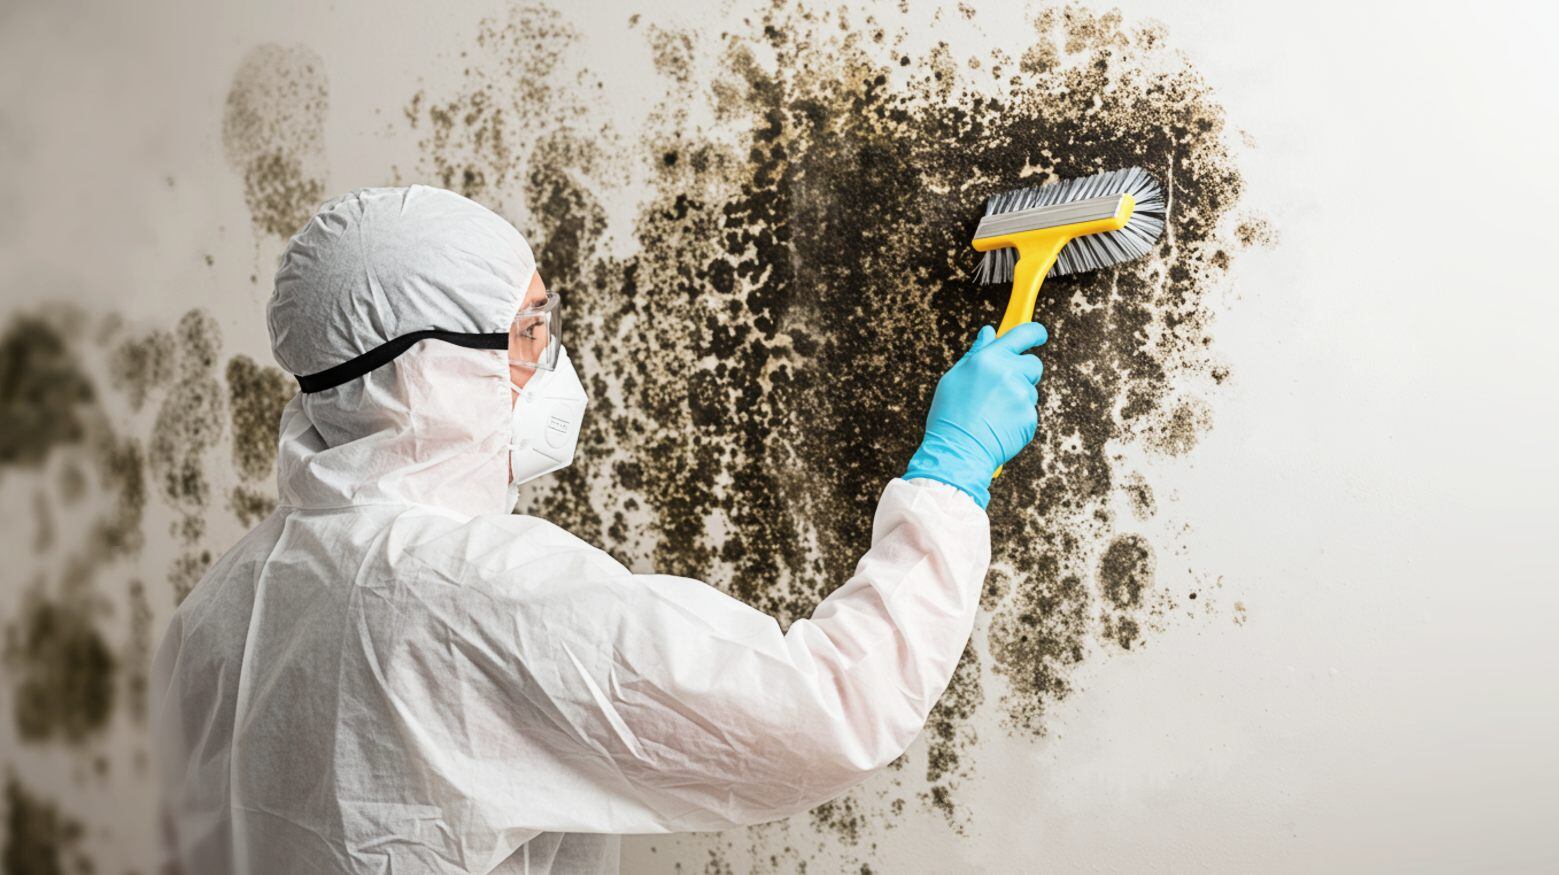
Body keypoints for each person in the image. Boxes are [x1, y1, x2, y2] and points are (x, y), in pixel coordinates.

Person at [151, 185, 1046, 874]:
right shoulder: (478, 590)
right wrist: (949, 476)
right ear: (429, 370)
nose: (553, 359)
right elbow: (825, 708)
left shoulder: (219, 607)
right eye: (529, 330)